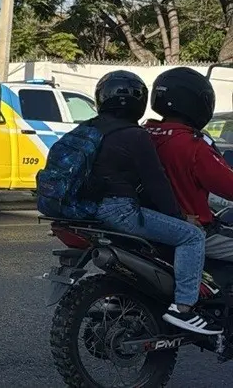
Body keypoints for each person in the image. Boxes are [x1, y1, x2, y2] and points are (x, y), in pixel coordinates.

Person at [87, 70, 221, 336]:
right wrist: (181, 217)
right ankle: (184, 308)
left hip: (96, 208)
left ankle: (121, 299)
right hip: (132, 211)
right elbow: (158, 182)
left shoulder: (104, 129)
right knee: (193, 236)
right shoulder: (180, 141)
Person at [144, 67, 233, 263]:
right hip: (194, 229)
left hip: (150, 226)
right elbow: (229, 186)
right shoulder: (191, 145)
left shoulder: (143, 133)